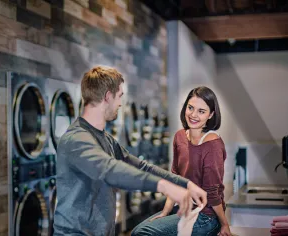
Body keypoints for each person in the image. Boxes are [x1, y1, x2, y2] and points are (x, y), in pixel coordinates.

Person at [53, 66, 207, 236]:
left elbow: (141, 166)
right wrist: (165, 187)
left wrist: (185, 184)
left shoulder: (105, 139)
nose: (120, 104)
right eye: (119, 97)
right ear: (107, 96)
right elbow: (110, 170)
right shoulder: (76, 139)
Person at [132, 86, 232, 236]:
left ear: (211, 115)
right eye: (190, 108)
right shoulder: (180, 137)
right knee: (136, 232)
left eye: (201, 111)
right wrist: (164, 213)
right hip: (184, 208)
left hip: (206, 215)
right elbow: (175, 179)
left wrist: (224, 225)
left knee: (143, 232)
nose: (193, 115)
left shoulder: (213, 145)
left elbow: (212, 192)